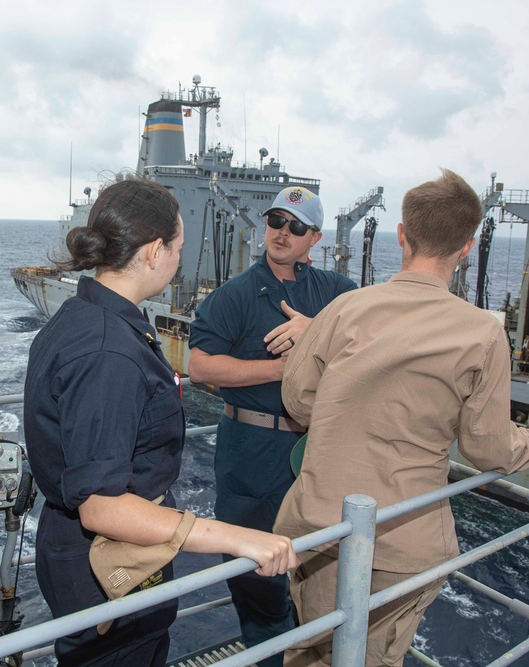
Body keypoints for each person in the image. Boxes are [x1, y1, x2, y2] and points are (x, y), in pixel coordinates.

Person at [274, 169, 529, 666]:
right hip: (403, 541)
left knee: (311, 652)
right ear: (466, 248)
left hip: (319, 526)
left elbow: (299, 401)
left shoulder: (344, 308)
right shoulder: (482, 333)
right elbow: (488, 447)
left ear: (402, 234)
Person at [24, 178, 298, 667]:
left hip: (103, 555)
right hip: (105, 562)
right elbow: (102, 507)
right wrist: (241, 538)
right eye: (177, 248)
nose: (178, 260)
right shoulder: (108, 351)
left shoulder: (82, 316)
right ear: (154, 251)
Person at [186, 186, 357, 665]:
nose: (283, 233)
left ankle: (307, 650)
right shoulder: (235, 295)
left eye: (296, 226)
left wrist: (315, 332)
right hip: (252, 453)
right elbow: (200, 367)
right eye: (276, 221)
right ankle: (268, 654)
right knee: (256, 574)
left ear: (315, 237)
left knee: (318, 566)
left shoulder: (337, 294)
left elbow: (377, 334)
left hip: (317, 453)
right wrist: (288, 368)